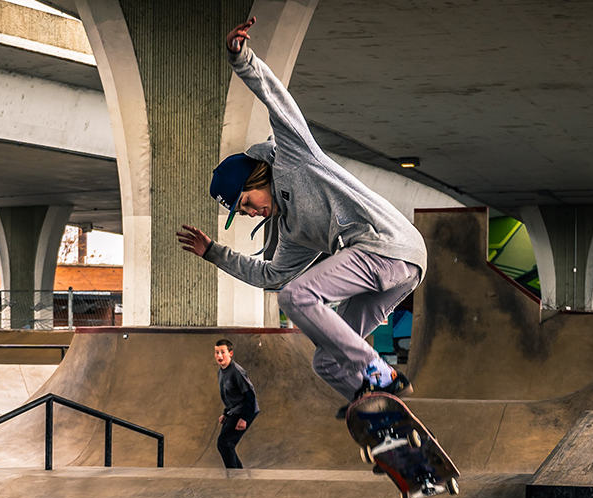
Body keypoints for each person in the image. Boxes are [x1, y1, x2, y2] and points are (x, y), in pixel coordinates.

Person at [177, 17, 427, 420]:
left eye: (246, 202)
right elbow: (270, 275)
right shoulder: (291, 232)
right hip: (396, 272)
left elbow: (278, 102)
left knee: (297, 297)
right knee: (325, 361)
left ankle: (377, 371)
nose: (251, 212)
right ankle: (382, 420)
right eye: (243, 212)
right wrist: (214, 253)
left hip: (387, 244)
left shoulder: (295, 159)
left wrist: (242, 60)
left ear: (256, 176)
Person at [213, 338, 259, 469]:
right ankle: (238, 474)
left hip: (245, 409)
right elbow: (231, 396)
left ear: (230, 353)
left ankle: (235, 476)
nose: (219, 356)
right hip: (234, 410)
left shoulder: (237, 371)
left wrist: (244, 418)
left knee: (224, 442)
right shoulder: (221, 371)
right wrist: (226, 414)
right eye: (217, 352)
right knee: (226, 443)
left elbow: (250, 395)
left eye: (223, 352)